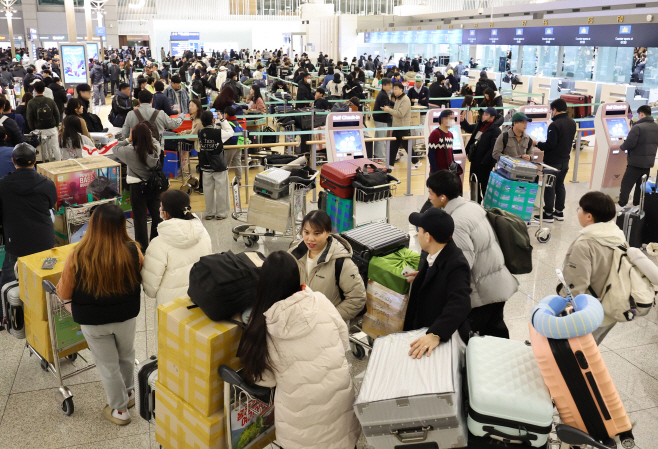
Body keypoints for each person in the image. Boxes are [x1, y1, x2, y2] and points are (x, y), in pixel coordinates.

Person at [238, 251, 361, 449]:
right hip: (340, 406)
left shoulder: (264, 326)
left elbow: (267, 380)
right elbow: (343, 340)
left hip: (302, 424)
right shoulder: (320, 300)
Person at [56, 204, 142, 426]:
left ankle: (120, 410)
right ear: (122, 225)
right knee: (126, 355)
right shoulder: (133, 248)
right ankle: (130, 395)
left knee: (108, 366)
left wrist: (68, 305)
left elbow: (64, 291)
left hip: (93, 321)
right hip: (126, 316)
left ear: (92, 225)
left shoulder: (78, 254)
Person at [425, 171, 518, 338]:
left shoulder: (456, 223)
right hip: (496, 282)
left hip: (484, 291)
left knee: (480, 339)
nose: (429, 197)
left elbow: (461, 265)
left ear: (443, 197)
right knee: (496, 331)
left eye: (431, 193)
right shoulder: (472, 206)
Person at [560, 192, 627, 344]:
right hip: (613, 306)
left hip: (589, 310)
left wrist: (565, 312)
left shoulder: (585, 244)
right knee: (591, 349)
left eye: (580, 208)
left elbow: (575, 285)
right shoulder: (617, 235)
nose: (578, 212)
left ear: (589, 216)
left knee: (575, 353)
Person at [403, 208, 472, 357]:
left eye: (419, 231)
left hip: (436, 341)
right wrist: (426, 276)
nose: (418, 235)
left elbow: (460, 303)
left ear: (428, 237)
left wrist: (436, 333)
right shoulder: (437, 253)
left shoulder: (457, 265)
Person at [141, 189, 212, 334]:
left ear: (165, 213)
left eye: (161, 207)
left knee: (171, 346)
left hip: (171, 305)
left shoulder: (158, 244)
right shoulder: (202, 232)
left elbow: (150, 288)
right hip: (200, 297)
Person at [0, 143, 56, 301]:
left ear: (13, 161)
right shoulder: (47, 183)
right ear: (35, 160)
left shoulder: (3, 185)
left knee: (8, 281)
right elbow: (51, 204)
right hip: (43, 239)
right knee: (45, 278)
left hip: (16, 240)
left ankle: (6, 316)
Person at [288, 210, 366, 322]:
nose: (310, 238)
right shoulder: (293, 254)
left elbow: (357, 299)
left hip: (327, 327)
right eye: (306, 232)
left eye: (317, 233)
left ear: (328, 233)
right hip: (299, 321)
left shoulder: (341, 262)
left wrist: (327, 318)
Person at [113, 123, 163, 251]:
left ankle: (142, 247)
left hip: (136, 186)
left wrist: (128, 140)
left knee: (140, 219)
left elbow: (115, 149)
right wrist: (150, 137)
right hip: (154, 185)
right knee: (157, 215)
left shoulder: (129, 151)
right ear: (149, 135)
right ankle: (155, 244)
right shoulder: (155, 149)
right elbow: (157, 142)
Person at [534, 98, 577, 222]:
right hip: (565, 161)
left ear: (555, 110)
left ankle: (548, 213)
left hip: (553, 162)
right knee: (560, 185)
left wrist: (536, 143)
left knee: (549, 186)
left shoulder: (554, 125)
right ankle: (559, 212)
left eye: (551, 110)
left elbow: (550, 145)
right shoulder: (572, 122)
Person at [617, 104, 658, 210]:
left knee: (626, 184)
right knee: (640, 185)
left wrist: (621, 147)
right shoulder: (656, 127)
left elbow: (629, 144)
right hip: (648, 162)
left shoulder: (638, 127)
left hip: (635, 162)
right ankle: (636, 203)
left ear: (642, 114)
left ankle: (622, 204)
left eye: (639, 114)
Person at [461, 107, 503, 203]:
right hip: (474, 160)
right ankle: (475, 203)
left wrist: (484, 161)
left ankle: (487, 206)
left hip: (485, 164)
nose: (483, 116)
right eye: (483, 114)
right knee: (473, 183)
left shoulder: (495, 130)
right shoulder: (479, 126)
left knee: (485, 185)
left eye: (486, 115)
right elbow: (468, 129)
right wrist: (463, 121)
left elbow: (494, 148)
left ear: (492, 117)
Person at [197, 110, 233, 220]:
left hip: (205, 165)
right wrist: (222, 120)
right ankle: (221, 213)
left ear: (201, 121)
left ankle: (209, 212)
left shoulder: (200, 133)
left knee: (208, 191)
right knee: (221, 190)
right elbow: (230, 132)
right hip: (218, 166)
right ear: (213, 120)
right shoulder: (219, 133)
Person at [26, 80, 61, 161]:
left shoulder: (31, 102)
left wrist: (33, 128)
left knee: (43, 150)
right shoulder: (50, 101)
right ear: (44, 89)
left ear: (34, 90)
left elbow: (29, 117)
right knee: (55, 147)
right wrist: (55, 125)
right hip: (51, 128)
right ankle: (58, 162)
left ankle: (45, 164)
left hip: (39, 130)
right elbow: (57, 114)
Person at [383, 82, 411, 169]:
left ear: (401, 90)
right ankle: (390, 164)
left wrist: (389, 110)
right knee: (393, 147)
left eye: (396, 89)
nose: (394, 91)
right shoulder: (398, 99)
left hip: (402, 127)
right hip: (397, 126)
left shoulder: (405, 100)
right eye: (393, 89)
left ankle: (417, 161)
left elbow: (400, 113)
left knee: (406, 146)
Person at [427, 109, 456, 174]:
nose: (453, 121)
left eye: (453, 119)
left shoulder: (450, 134)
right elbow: (431, 154)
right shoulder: (435, 133)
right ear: (443, 119)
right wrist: (435, 172)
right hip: (438, 172)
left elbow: (451, 152)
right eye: (451, 118)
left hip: (449, 171)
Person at [372, 78, 392, 160]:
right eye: (389, 85)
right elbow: (386, 107)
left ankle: (377, 155)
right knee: (382, 138)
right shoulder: (383, 95)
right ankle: (381, 157)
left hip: (378, 118)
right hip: (381, 118)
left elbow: (389, 102)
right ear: (384, 86)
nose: (391, 87)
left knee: (378, 137)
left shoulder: (383, 94)